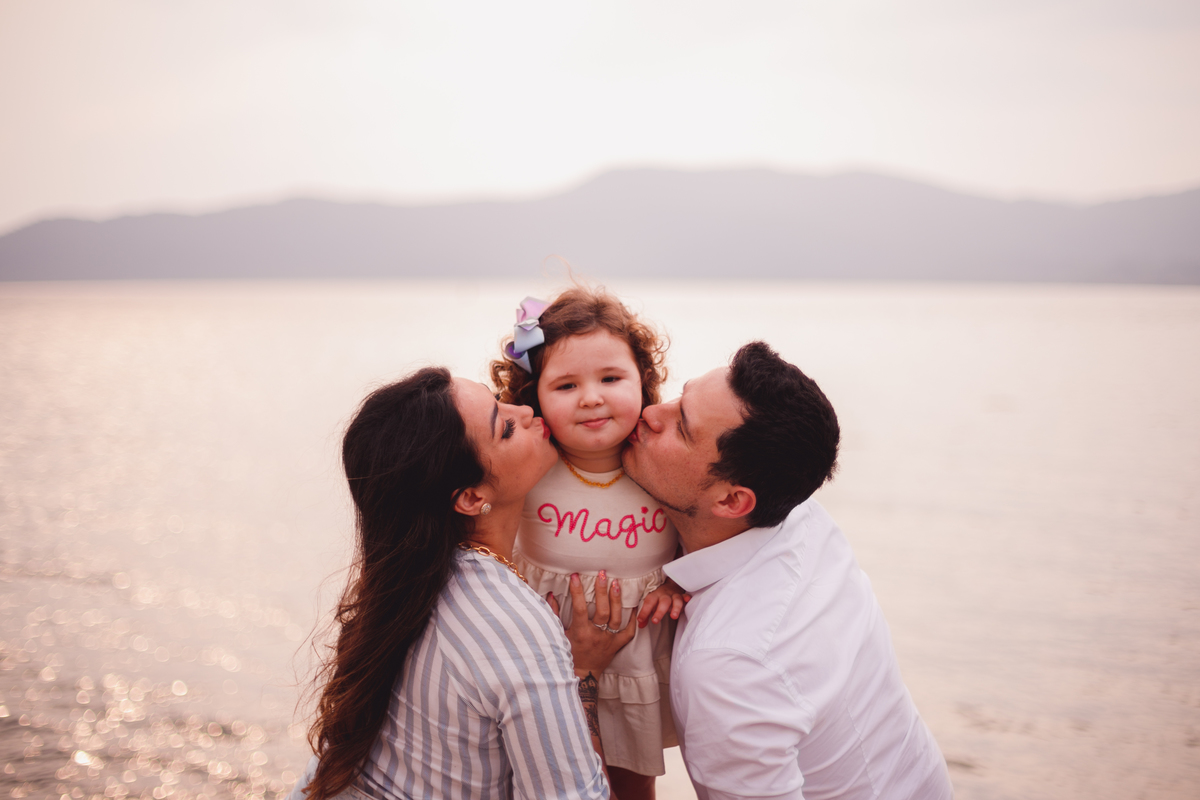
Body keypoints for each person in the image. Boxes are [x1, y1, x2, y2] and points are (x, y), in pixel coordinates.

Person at [621, 341, 954, 800]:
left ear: (732, 501)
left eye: (680, 427)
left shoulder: (730, 664)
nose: (651, 413)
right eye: (681, 395)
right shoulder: (798, 512)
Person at [294, 367, 635, 800]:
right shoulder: (513, 623)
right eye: (506, 427)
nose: (527, 410)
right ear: (471, 497)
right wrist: (582, 673)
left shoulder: (397, 585)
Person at [489, 287, 686, 799]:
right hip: (548, 651)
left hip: (636, 652)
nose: (592, 397)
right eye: (566, 385)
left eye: (611, 378)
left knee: (633, 782)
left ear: (643, 380)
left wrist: (677, 580)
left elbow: (703, 532)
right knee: (538, 774)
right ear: (534, 398)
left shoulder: (660, 464)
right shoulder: (532, 469)